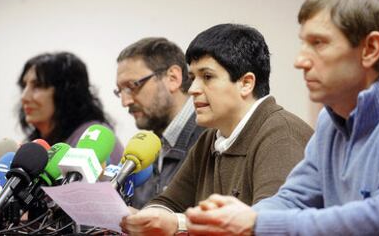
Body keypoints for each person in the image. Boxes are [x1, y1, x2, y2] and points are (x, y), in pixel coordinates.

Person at [186, 0, 379, 236]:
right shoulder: (330, 121)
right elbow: (294, 199)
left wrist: (255, 223)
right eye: (303, 43)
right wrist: (239, 215)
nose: (300, 61)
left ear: (370, 49)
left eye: (319, 43)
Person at [120, 24, 313, 235]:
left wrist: (177, 223)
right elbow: (168, 202)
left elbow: (268, 226)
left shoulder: (281, 135)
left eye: (207, 77)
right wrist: (147, 219)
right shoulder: (211, 138)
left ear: (246, 84)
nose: (193, 89)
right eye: (193, 78)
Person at [115, 37, 206, 208]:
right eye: (119, 91)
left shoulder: (212, 138)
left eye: (132, 85)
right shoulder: (145, 147)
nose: (125, 101)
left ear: (173, 78)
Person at [18, 51, 123, 164]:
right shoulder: (39, 142)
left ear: (65, 93)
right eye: (24, 86)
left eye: (38, 86)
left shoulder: (93, 139)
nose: (24, 97)